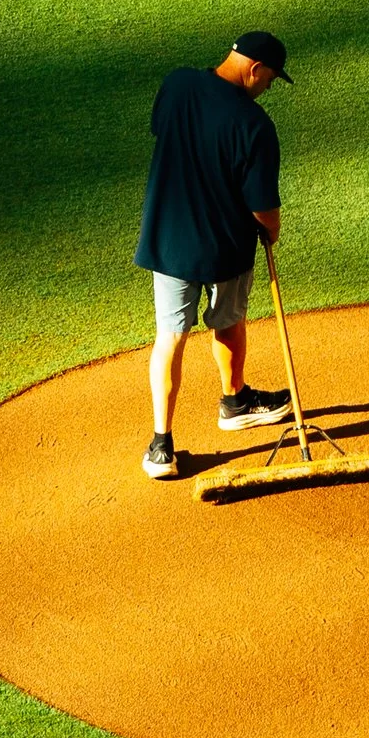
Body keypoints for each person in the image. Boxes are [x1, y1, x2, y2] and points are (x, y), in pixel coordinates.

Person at [133, 30, 298, 479]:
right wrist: (272, 231)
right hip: (225, 244)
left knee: (170, 336)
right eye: (270, 79)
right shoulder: (255, 125)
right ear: (254, 68)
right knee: (228, 319)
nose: (268, 88)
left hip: (169, 240)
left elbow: (165, 133)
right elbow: (263, 206)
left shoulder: (177, 84)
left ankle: (160, 447)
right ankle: (235, 401)